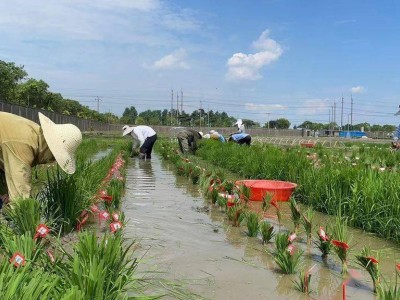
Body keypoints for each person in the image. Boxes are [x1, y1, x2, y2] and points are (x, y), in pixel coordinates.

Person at [0, 112, 82, 206]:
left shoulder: (33, 134)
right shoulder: (24, 143)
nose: (52, 160)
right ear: (50, 146)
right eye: (54, 156)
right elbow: (19, 193)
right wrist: (28, 217)